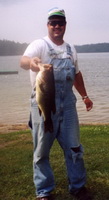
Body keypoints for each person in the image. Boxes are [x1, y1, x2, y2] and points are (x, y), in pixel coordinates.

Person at [20, 7, 93, 200]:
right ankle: (44, 191)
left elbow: (76, 74)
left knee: (74, 147)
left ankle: (78, 187)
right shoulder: (39, 44)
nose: (57, 26)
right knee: (41, 150)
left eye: (60, 23)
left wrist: (85, 97)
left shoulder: (71, 49)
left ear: (65, 26)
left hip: (68, 104)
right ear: (48, 25)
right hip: (43, 103)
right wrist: (34, 63)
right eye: (53, 22)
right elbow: (23, 61)